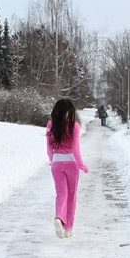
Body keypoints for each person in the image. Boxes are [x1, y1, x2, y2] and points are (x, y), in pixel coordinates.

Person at [46, 98, 90, 238]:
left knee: (61, 194)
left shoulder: (51, 124)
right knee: (72, 196)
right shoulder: (74, 126)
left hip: (57, 163)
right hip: (71, 163)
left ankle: (59, 218)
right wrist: (82, 165)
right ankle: (68, 228)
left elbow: (49, 148)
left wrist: (53, 160)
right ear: (70, 111)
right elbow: (75, 149)